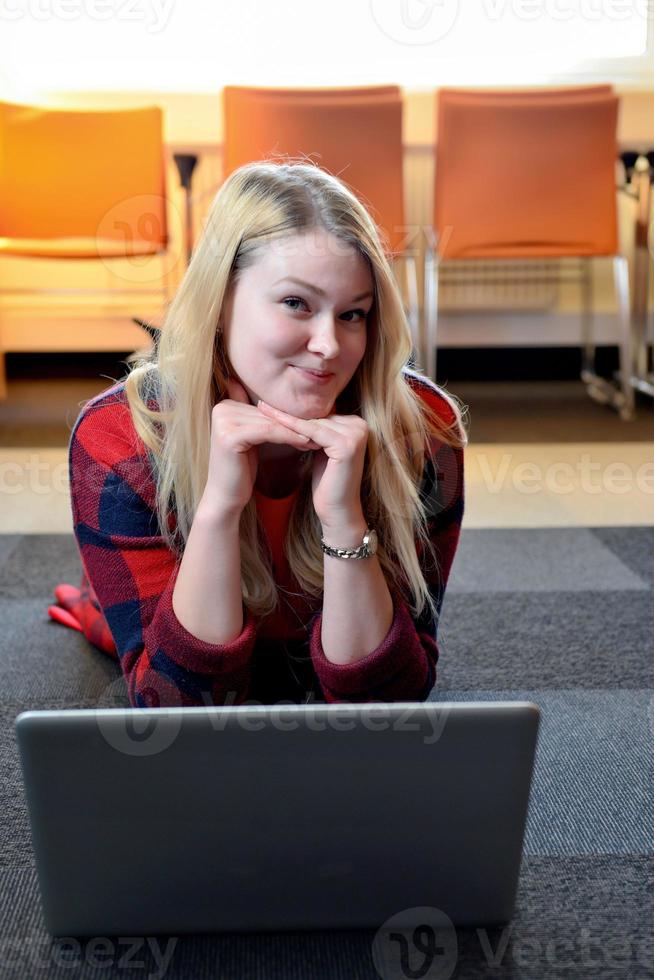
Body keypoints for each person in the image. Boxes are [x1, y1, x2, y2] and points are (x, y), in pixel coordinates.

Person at [49, 160, 467, 708]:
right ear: (220, 302)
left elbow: (389, 700)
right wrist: (221, 506)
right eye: (296, 303)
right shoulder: (120, 439)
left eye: (353, 315)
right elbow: (181, 707)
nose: (329, 346)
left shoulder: (422, 429)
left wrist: (344, 520)